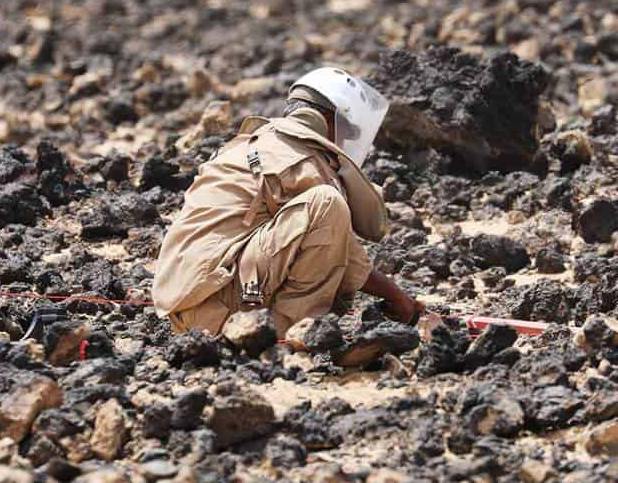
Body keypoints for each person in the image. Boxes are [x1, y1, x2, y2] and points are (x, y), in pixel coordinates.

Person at [153, 66, 422, 339]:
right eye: (347, 131)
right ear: (331, 120)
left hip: (185, 306)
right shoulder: (304, 158)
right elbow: (347, 254)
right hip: (218, 303)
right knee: (326, 204)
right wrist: (398, 298)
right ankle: (287, 333)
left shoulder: (249, 145)